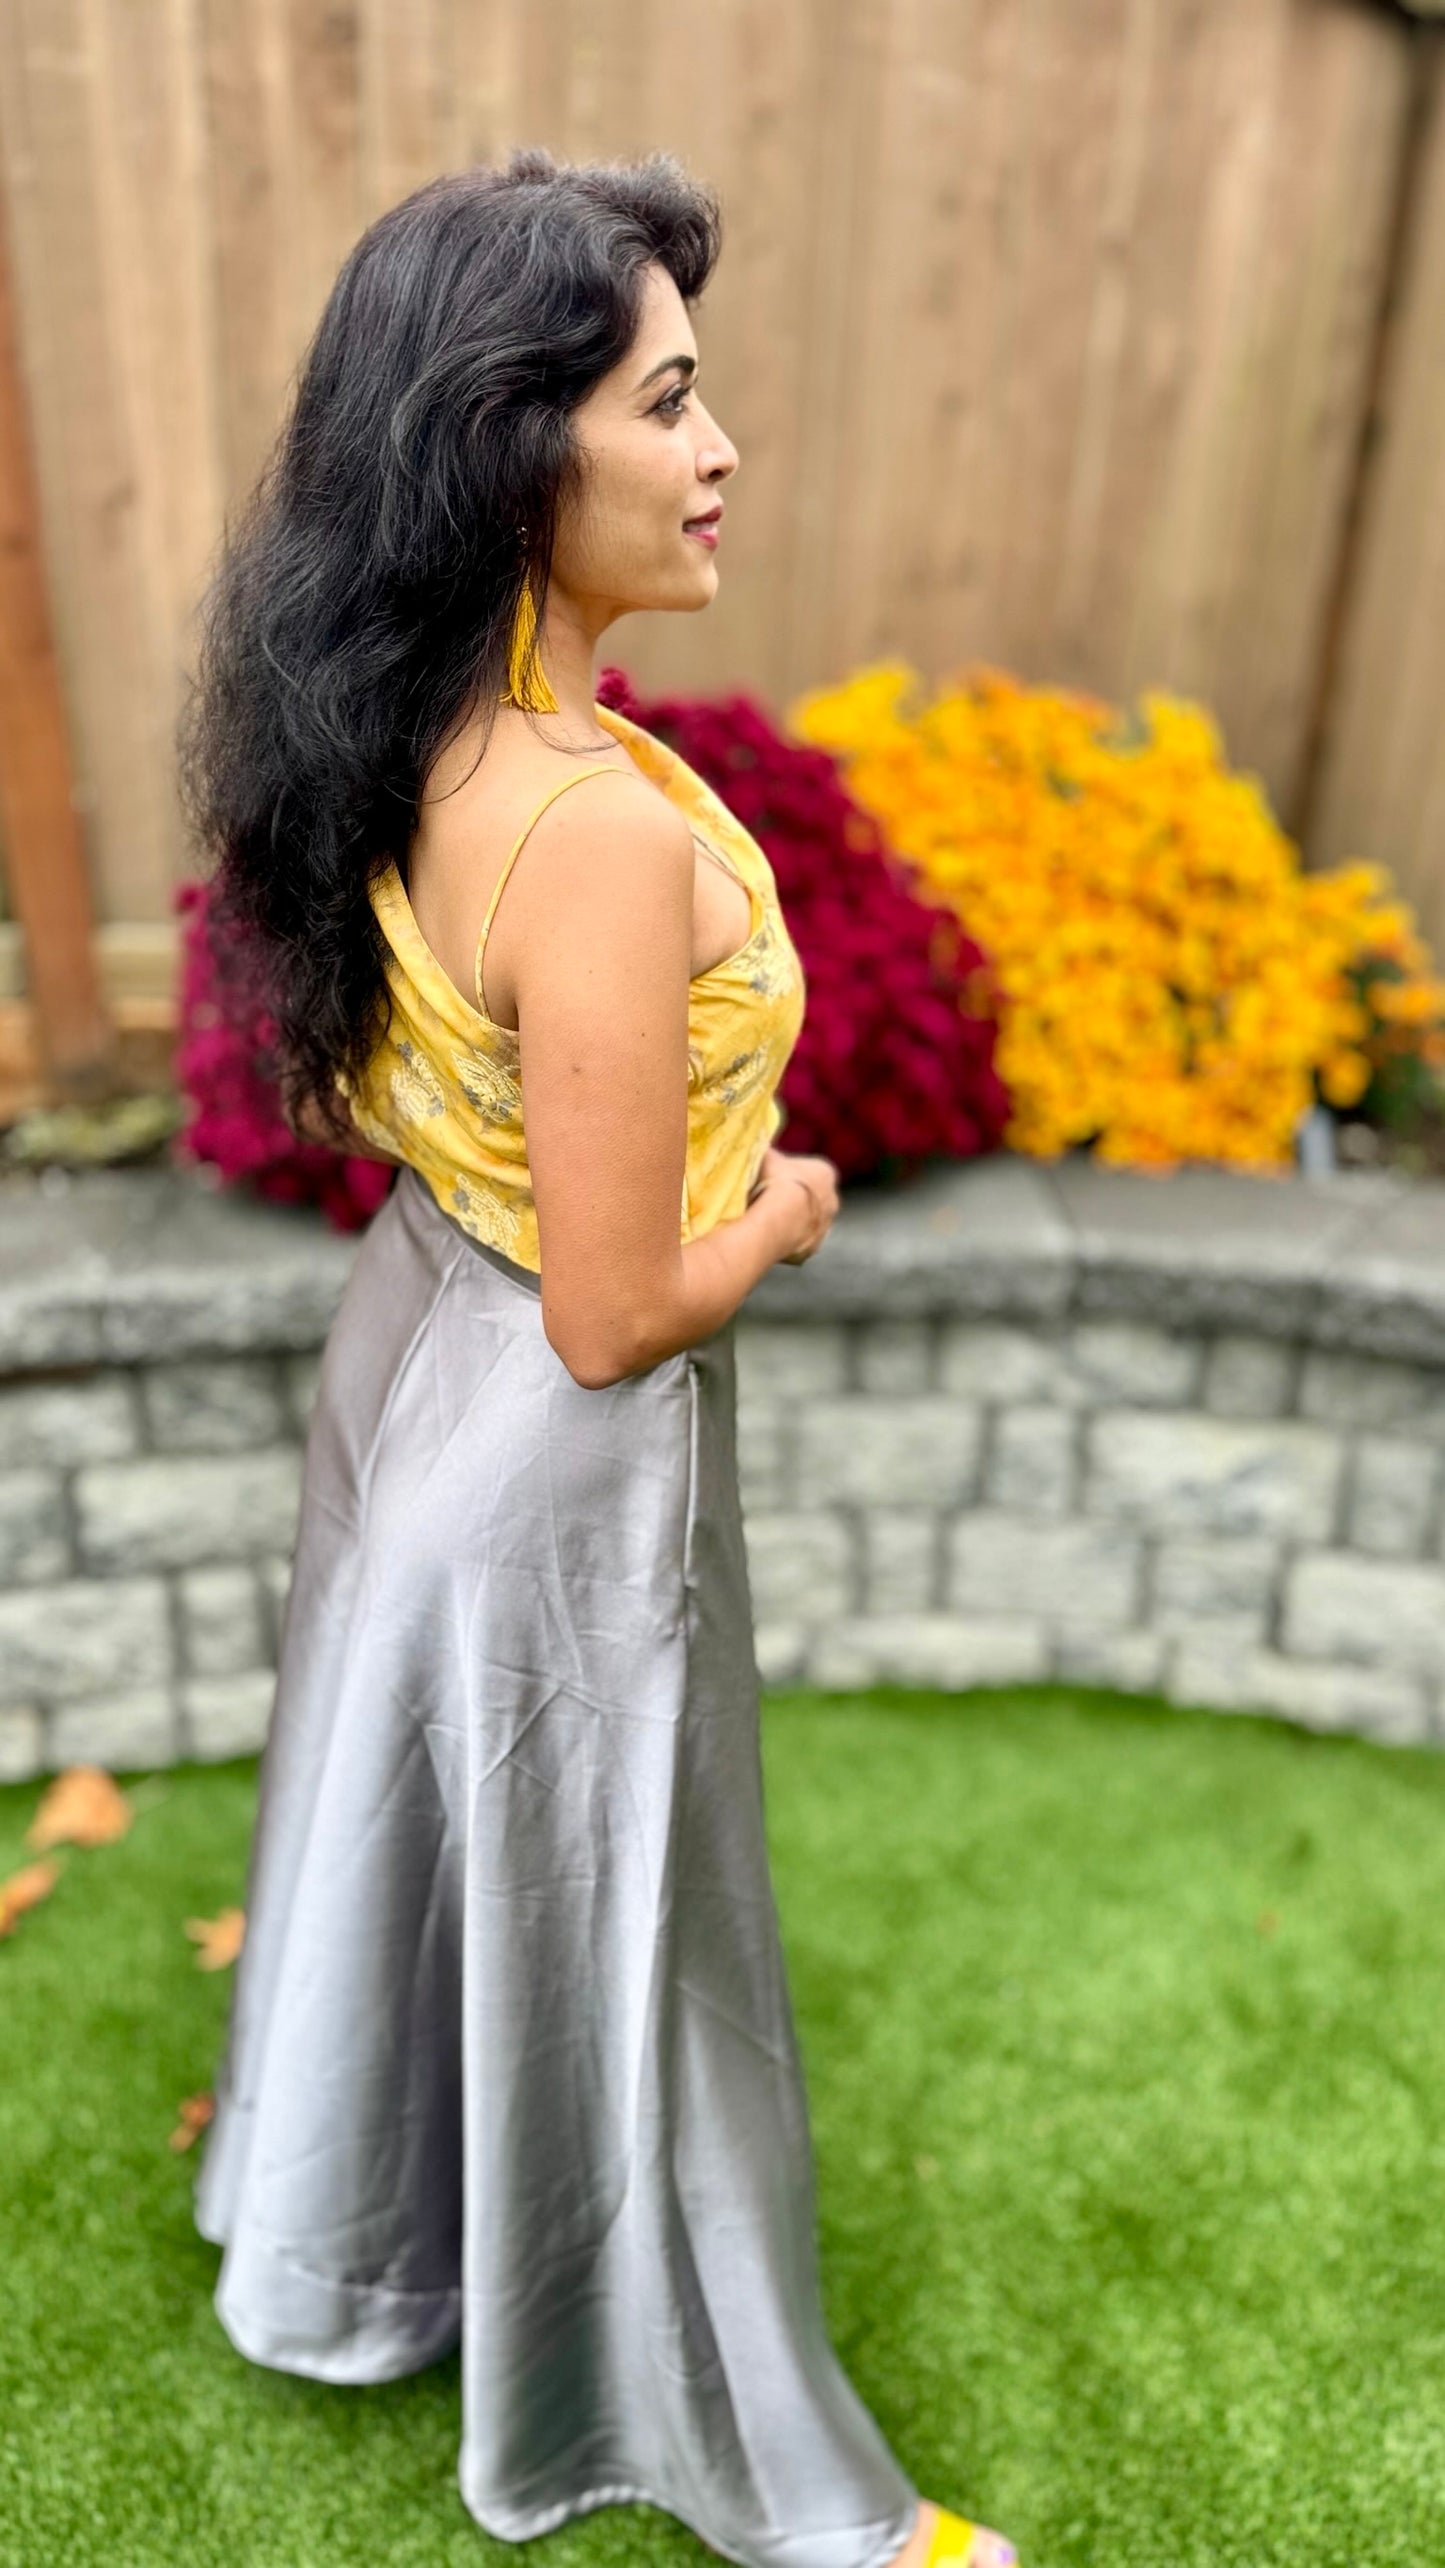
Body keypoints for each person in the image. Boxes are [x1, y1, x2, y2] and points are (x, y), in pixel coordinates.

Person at [178, 146, 1019, 2568]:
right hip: (551, 1445)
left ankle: (361, 2249)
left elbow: (459, 1148)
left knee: (436, 1845)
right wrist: (788, 1207)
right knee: (630, 1953)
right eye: (665, 402)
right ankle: (721, 2440)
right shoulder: (595, 834)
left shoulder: (406, 722)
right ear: (502, 450)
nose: (721, 447)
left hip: (417, 1352)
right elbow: (617, 1304)